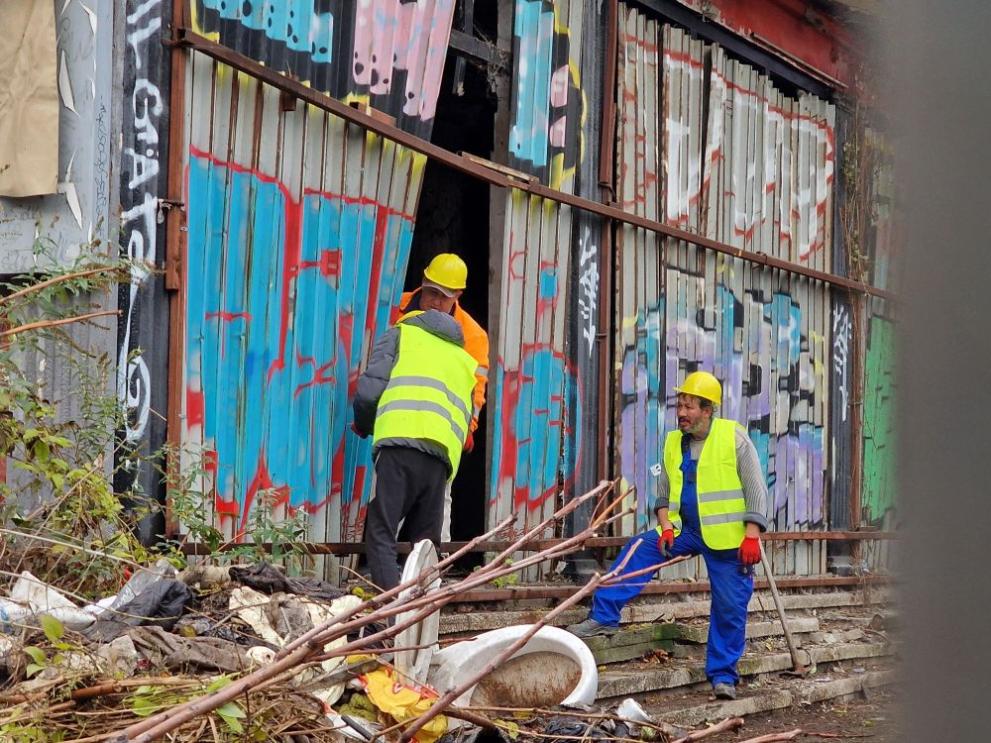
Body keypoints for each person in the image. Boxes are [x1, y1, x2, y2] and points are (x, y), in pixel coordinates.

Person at [567, 371, 768, 701]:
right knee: (639, 550)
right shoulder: (675, 442)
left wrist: (751, 534)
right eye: (681, 405)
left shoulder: (734, 438)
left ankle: (722, 676)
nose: (682, 413)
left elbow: (756, 491)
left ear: (708, 409)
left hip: (728, 538)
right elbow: (663, 494)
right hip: (686, 531)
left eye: (689, 406)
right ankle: (603, 616)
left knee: (730, 607)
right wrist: (665, 526)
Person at [352, 309, 479, 591]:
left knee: (381, 531)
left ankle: (391, 613)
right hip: (440, 458)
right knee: (425, 543)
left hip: (400, 443)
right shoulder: (464, 361)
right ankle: (422, 613)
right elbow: (467, 415)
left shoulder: (401, 334)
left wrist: (362, 424)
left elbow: (370, 389)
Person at [397, 253, 489, 542]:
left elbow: (476, 388)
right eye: (431, 292)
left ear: (458, 295)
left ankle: (437, 564)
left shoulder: (472, 335)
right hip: (398, 418)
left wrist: (468, 428)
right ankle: (386, 567)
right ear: (422, 281)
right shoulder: (395, 308)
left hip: (441, 426)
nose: (435, 301)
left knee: (440, 498)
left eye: (443, 296)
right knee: (392, 496)